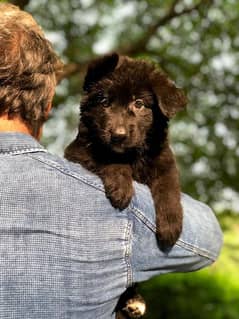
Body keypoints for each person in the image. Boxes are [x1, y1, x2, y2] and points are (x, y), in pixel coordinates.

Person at [0, 4, 223, 319]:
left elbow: (165, 181)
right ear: (47, 105)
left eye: (137, 105)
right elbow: (209, 239)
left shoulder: (154, 148)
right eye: (106, 102)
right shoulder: (112, 205)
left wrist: (163, 194)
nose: (119, 127)